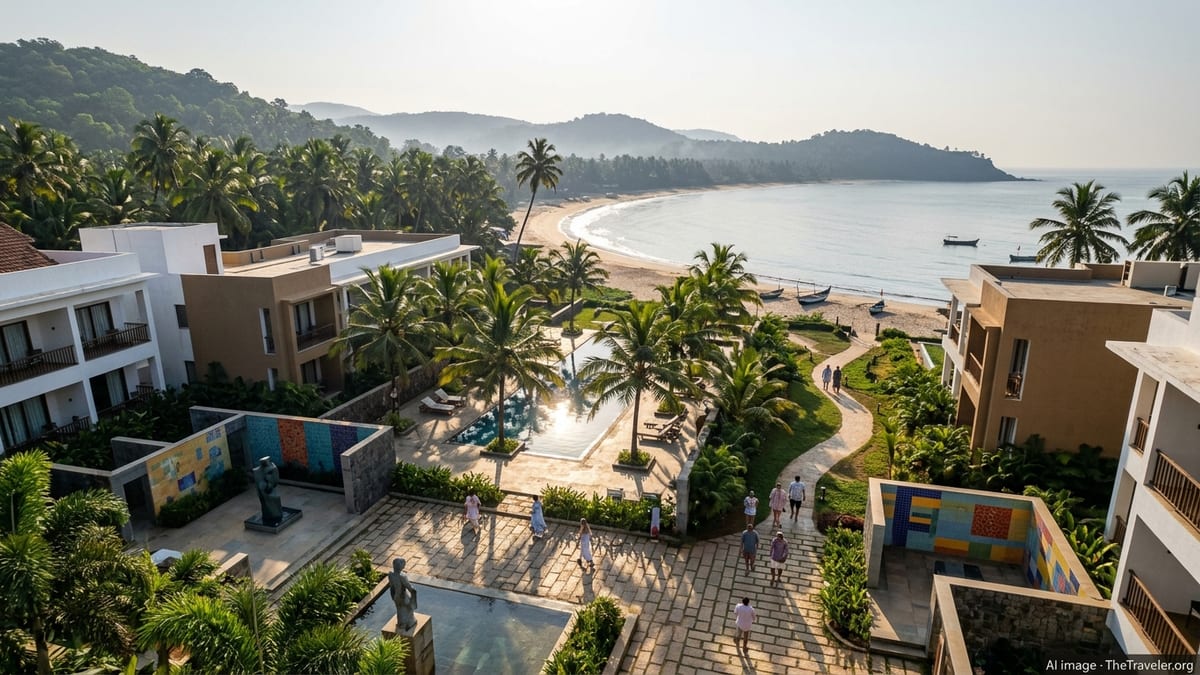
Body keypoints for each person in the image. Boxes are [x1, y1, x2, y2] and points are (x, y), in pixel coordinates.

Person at [388, 557, 418, 631]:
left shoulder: (390, 574)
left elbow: (391, 586)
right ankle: (410, 623)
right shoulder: (402, 576)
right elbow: (410, 588)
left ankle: (401, 624)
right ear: (402, 566)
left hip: (396, 596)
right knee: (409, 609)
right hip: (403, 596)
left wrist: (393, 596)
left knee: (400, 610)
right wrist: (414, 595)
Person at [253, 457, 282, 526]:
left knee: (273, 500)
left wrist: (270, 484)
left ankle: (274, 514)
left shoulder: (273, 468)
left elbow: (275, 480)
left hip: (268, 489)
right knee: (267, 502)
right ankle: (270, 515)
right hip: (264, 491)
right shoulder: (257, 472)